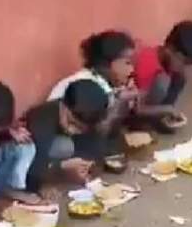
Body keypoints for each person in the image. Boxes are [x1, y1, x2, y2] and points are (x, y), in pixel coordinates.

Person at [48, 31, 137, 172]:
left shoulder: (102, 81)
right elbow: (101, 128)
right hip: (57, 139)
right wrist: (120, 101)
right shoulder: (90, 86)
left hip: (77, 132)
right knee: (82, 148)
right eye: (127, 63)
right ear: (107, 65)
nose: (131, 69)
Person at [23, 79, 109, 197]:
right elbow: (32, 165)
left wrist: (87, 165)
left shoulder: (89, 117)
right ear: (63, 105)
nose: (72, 130)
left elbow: (96, 150)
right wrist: (59, 168)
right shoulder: (41, 120)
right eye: (70, 122)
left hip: (56, 158)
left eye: (80, 128)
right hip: (31, 159)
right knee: (64, 146)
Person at [131, 21, 192, 133]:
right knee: (162, 83)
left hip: (149, 102)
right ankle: (146, 122)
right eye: (185, 62)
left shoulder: (167, 59)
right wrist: (167, 109)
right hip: (133, 109)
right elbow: (137, 109)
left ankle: (161, 117)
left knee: (180, 77)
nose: (185, 67)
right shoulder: (149, 64)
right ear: (170, 49)